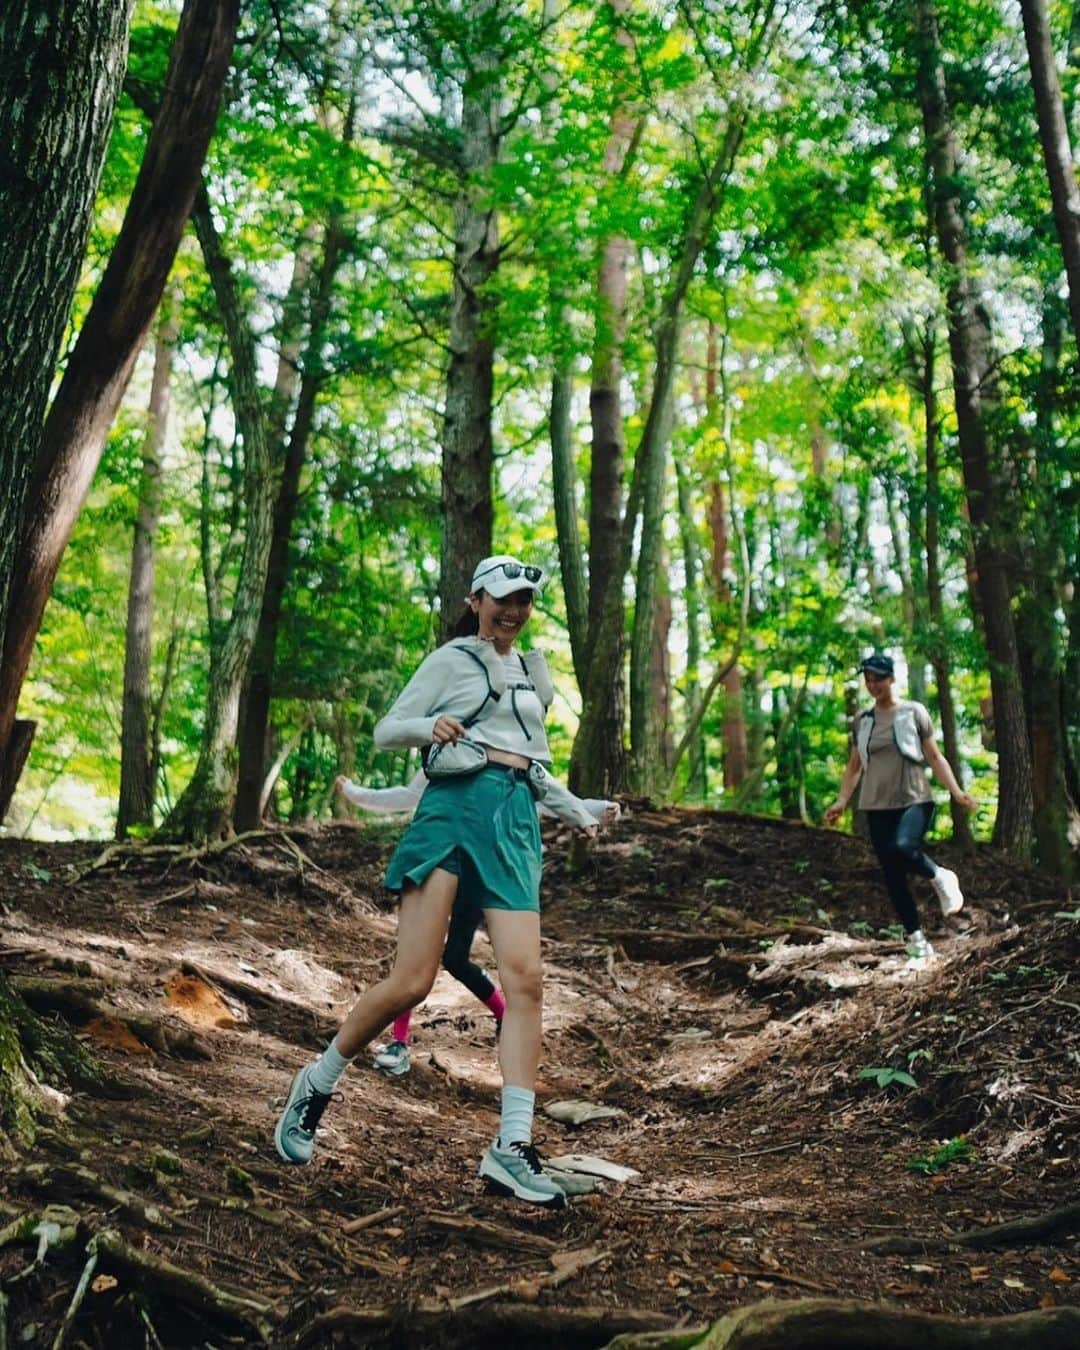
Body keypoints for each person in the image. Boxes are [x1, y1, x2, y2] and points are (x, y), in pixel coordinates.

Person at [275, 555, 607, 1206]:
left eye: (525, 602)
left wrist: (578, 809)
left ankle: (512, 1147)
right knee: (413, 980)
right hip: (452, 811)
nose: (514, 611)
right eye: (504, 598)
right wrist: (430, 727)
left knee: (527, 980)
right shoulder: (453, 659)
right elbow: (387, 729)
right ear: (478, 598)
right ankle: (317, 1080)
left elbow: (531, 765)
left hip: (514, 821)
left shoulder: (528, 671)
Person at [334, 772, 618, 1077]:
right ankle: (399, 1042)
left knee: (456, 959)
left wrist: (597, 809)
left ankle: (503, 1014)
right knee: (413, 964)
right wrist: (353, 791)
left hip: (480, 871)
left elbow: (548, 795)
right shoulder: (444, 755)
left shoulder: (512, 754)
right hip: (438, 860)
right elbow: (405, 795)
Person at [824, 652, 978, 962]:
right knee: (892, 875)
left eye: (878, 678)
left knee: (904, 848)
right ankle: (917, 942)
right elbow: (854, 766)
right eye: (868, 679)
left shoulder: (913, 712)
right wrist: (842, 801)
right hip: (875, 804)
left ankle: (940, 876)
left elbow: (934, 757)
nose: (872, 684)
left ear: (892, 678)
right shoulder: (862, 720)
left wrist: (957, 793)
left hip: (914, 798)